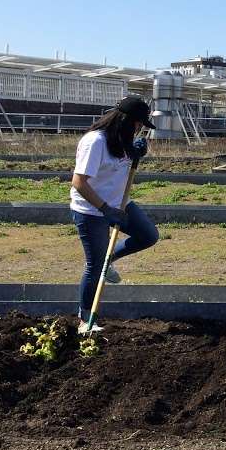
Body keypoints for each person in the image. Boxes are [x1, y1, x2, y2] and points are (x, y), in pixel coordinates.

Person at [69, 96, 159, 333]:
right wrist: (104, 209)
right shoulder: (95, 142)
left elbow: (121, 166)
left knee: (148, 235)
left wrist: (137, 154)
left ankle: (109, 261)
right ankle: (85, 319)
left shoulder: (123, 138)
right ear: (127, 120)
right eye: (138, 125)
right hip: (90, 209)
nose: (140, 130)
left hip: (120, 203)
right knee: (94, 264)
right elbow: (79, 182)